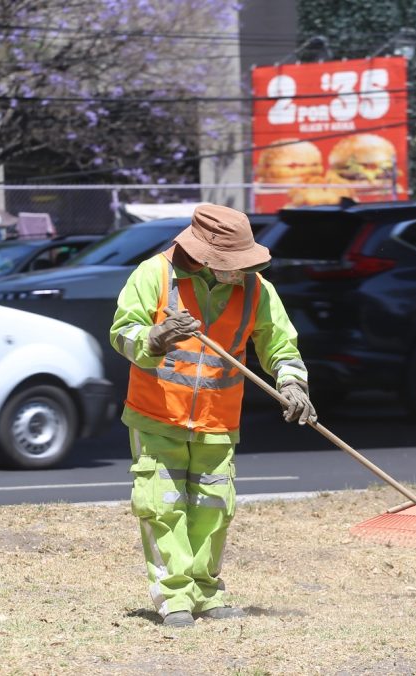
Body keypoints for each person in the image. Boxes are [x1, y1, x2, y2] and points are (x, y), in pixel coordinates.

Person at [110, 204, 316, 628]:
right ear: (200, 254)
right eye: (229, 263)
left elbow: (281, 344)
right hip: (157, 415)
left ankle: (206, 592)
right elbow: (121, 333)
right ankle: (174, 596)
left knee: (213, 506)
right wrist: (155, 338)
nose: (236, 271)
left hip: (218, 419)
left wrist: (293, 383)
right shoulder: (153, 275)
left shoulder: (256, 289)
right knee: (162, 504)